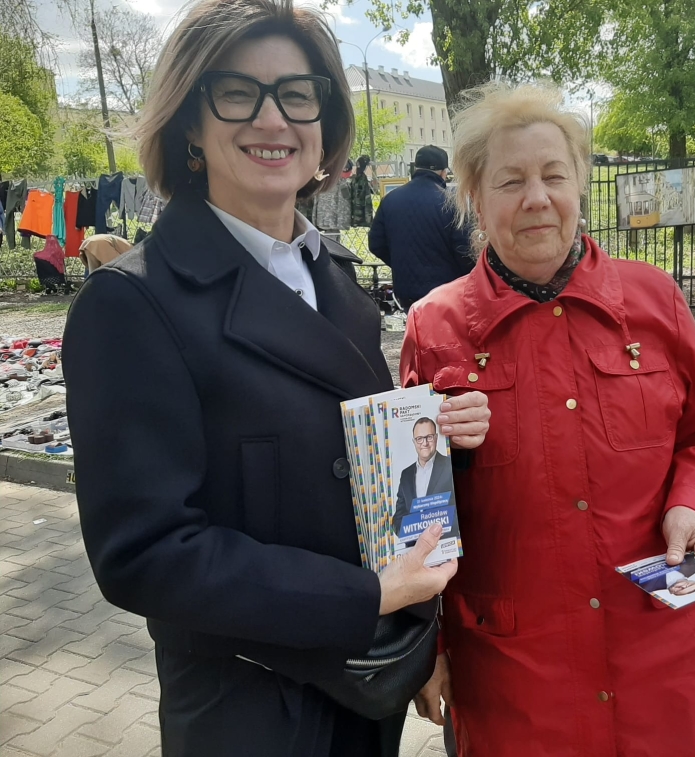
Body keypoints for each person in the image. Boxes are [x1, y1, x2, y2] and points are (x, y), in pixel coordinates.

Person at [62, 1, 491, 755]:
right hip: (252, 709)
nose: (273, 119)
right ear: (190, 123)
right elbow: (144, 552)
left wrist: (437, 438)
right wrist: (363, 596)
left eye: (297, 95)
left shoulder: (338, 282)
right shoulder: (132, 302)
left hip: (366, 688)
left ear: (324, 123)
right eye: (238, 92)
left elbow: (343, 468)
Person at [402, 82, 695, 757]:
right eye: (511, 181)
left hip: (660, 651)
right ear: (475, 197)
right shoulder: (435, 326)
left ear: (580, 183)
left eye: (554, 175)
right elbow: (416, 506)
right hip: (517, 676)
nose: (537, 197)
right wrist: (428, 642)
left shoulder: (653, 299)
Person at [369, 145, 474, 311]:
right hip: (445, 292)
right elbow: (465, 250)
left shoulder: (390, 199)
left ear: (415, 168)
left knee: (414, 327)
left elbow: (376, 244)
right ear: (443, 172)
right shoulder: (451, 203)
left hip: (406, 292)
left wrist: (402, 263)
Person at [391, 417, 457, 538]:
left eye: (429, 437)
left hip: (446, 542)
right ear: (414, 442)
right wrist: (407, 533)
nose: (425, 443)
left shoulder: (450, 465)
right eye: (419, 439)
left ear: (436, 438)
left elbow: (461, 508)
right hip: (415, 546)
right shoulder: (406, 474)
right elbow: (399, 514)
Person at [349, 154, 374, 227]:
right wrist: (368, 220)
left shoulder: (355, 178)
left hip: (355, 215)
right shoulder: (360, 179)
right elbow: (367, 200)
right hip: (361, 214)